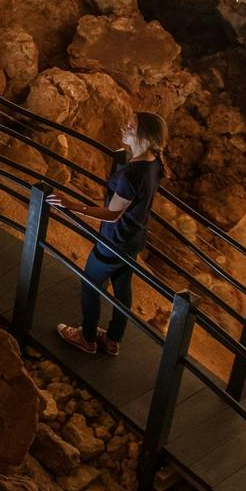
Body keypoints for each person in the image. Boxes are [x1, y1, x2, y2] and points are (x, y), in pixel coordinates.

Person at [45, 111, 166, 356]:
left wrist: (70, 204)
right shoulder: (155, 163)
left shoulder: (132, 175)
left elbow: (112, 214)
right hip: (134, 238)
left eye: (130, 127)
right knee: (122, 286)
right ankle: (112, 339)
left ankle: (86, 337)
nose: (124, 128)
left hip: (114, 239)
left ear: (144, 136)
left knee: (90, 285)